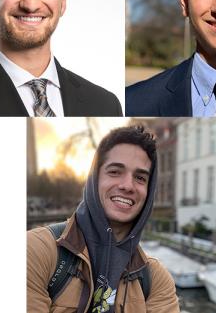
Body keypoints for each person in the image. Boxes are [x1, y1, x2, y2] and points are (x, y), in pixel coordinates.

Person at [27, 126, 179, 312]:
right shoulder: (37, 250)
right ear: (94, 178)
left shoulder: (156, 280)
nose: (127, 186)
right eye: (115, 171)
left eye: (140, 178)